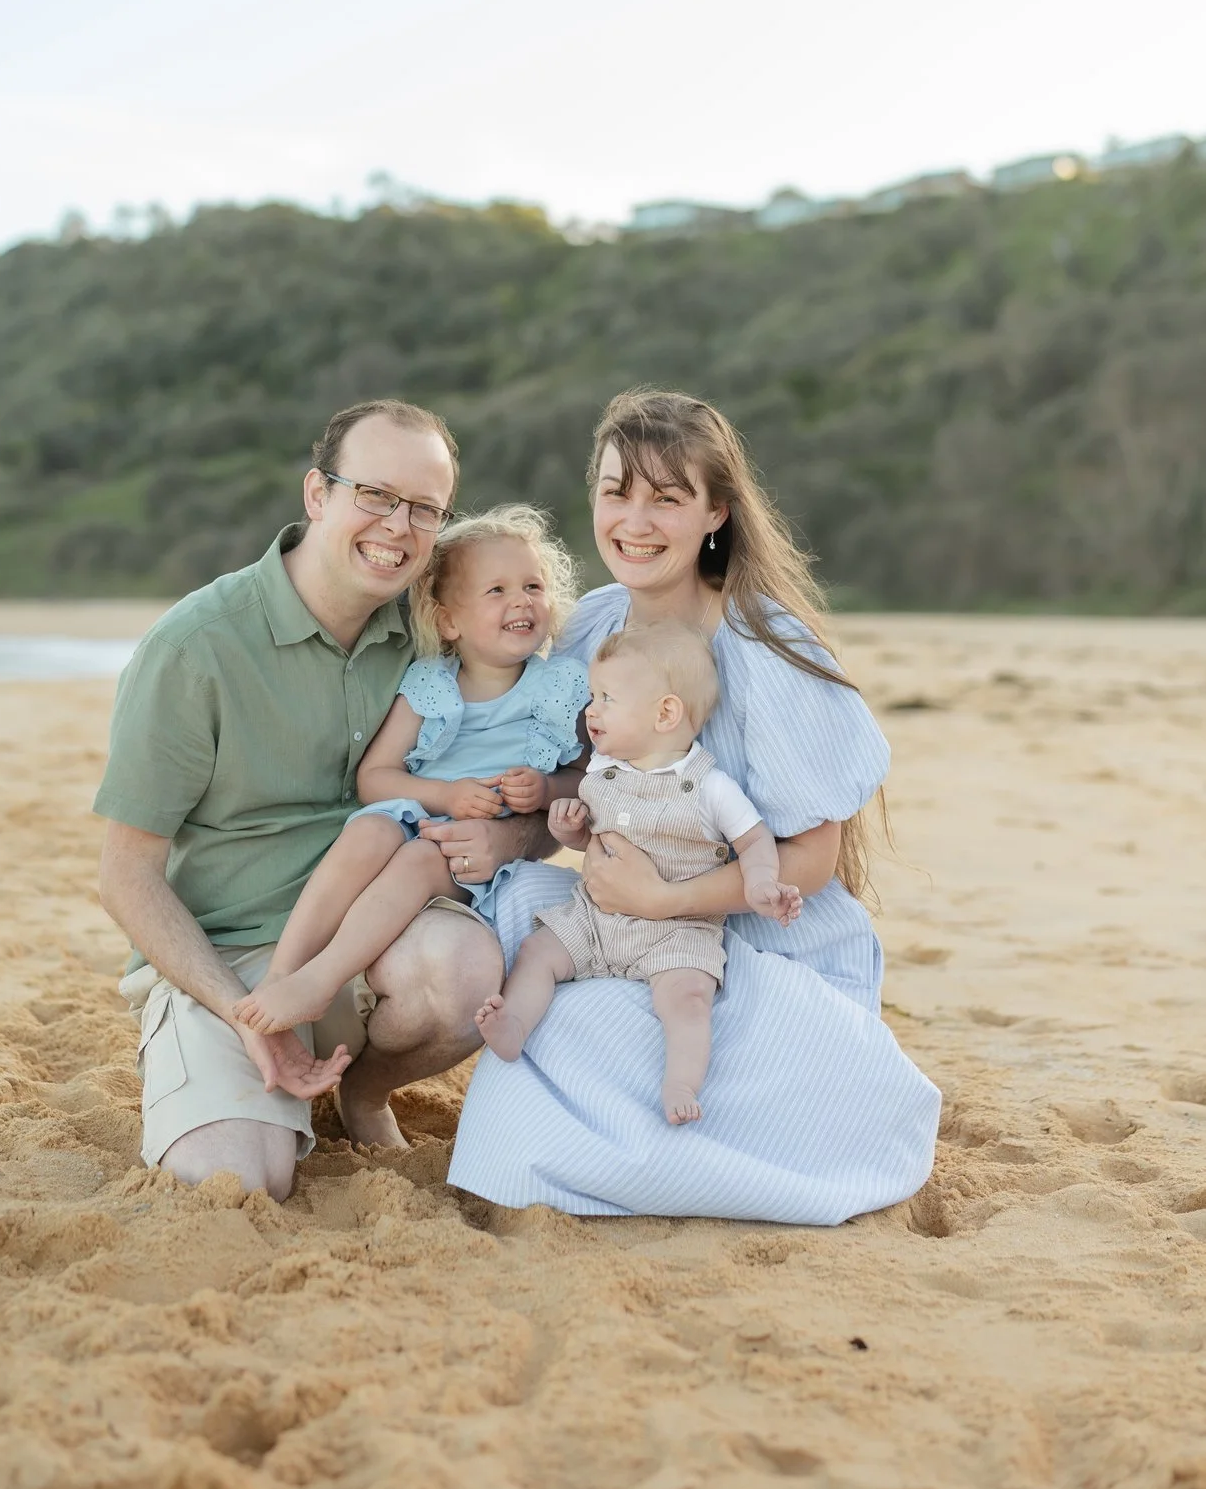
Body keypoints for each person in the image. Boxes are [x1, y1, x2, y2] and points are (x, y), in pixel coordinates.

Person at [447, 388, 942, 1222]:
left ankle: (672, 1154)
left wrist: (666, 899)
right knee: (529, 944)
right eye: (616, 492)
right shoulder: (592, 632)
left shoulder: (764, 647)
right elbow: (576, 786)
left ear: (715, 512)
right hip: (629, 933)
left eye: (666, 498)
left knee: (613, 1035)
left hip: (766, 948)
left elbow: (813, 862)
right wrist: (512, 838)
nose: (633, 520)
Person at [94, 401, 549, 1198]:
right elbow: (126, 877)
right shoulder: (193, 649)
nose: (397, 526)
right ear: (316, 495)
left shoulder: (438, 634)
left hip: (376, 937)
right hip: (229, 960)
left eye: (423, 509)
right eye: (374, 494)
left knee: (463, 968)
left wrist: (513, 839)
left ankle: (361, 1088)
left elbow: (551, 776)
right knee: (231, 1181)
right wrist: (238, 1009)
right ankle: (228, 1070)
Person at [232, 503, 589, 1057]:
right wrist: (443, 795)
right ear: (449, 621)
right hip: (417, 813)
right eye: (496, 591)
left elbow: (587, 781)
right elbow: (375, 778)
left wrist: (545, 792)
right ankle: (284, 970)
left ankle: (322, 980)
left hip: (470, 858)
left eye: (533, 585)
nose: (521, 600)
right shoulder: (431, 683)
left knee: (420, 860)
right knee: (370, 832)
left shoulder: (561, 687)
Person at [475, 620, 802, 1124]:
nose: (591, 710)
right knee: (540, 950)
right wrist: (572, 831)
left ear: (666, 712)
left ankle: (681, 1081)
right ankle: (514, 1025)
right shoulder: (601, 774)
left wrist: (760, 883)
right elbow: (593, 843)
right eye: (592, 695)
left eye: (607, 697)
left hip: (678, 930)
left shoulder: (710, 786)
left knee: (689, 997)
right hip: (598, 917)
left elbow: (754, 840)